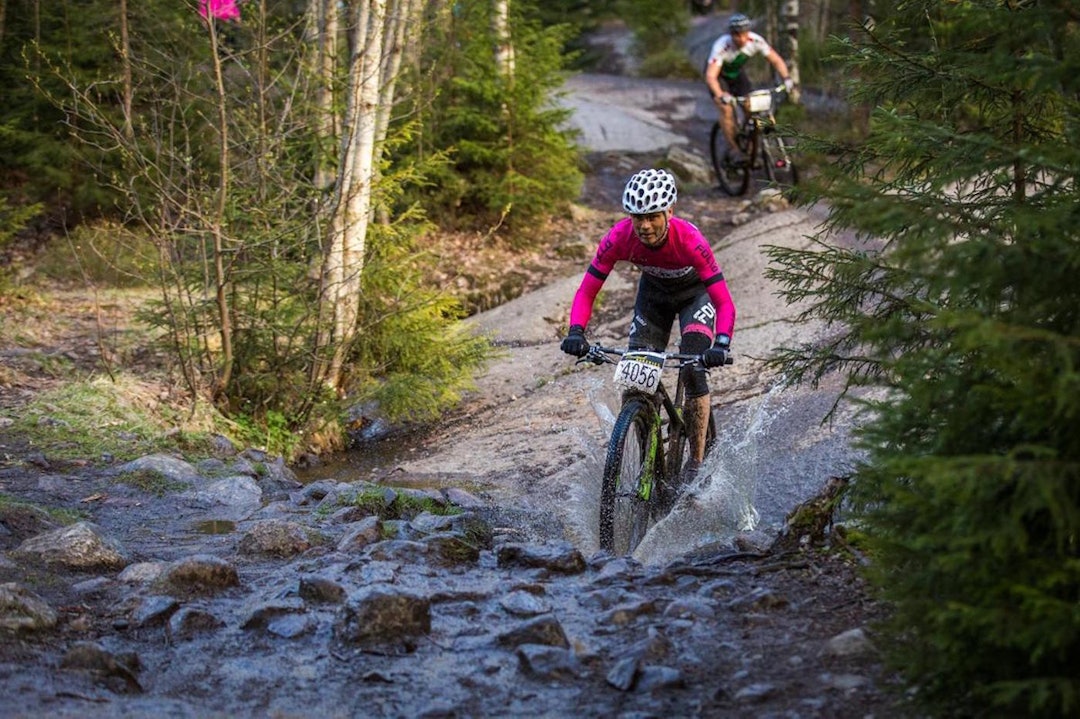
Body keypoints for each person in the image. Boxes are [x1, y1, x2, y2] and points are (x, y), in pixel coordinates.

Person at [560, 168, 736, 494]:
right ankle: (648, 459)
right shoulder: (619, 237)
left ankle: (695, 464)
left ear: (669, 211)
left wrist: (721, 343)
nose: (644, 226)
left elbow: (724, 303)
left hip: (693, 297)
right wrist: (576, 332)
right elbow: (587, 291)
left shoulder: (691, 242)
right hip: (653, 298)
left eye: (653, 216)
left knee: (693, 369)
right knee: (635, 385)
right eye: (637, 217)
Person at [704, 13, 794, 164]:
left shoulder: (756, 40)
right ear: (731, 34)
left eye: (744, 34)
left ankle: (751, 147)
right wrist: (720, 94)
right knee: (726, 109)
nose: (741, 39)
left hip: (737, 75)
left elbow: (776, 60)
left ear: (748, 32)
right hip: (719, 76)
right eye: (736, 35)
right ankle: (734, 149)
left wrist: (787, 78)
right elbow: (711, 76)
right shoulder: (722, 46)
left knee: (751, 106)